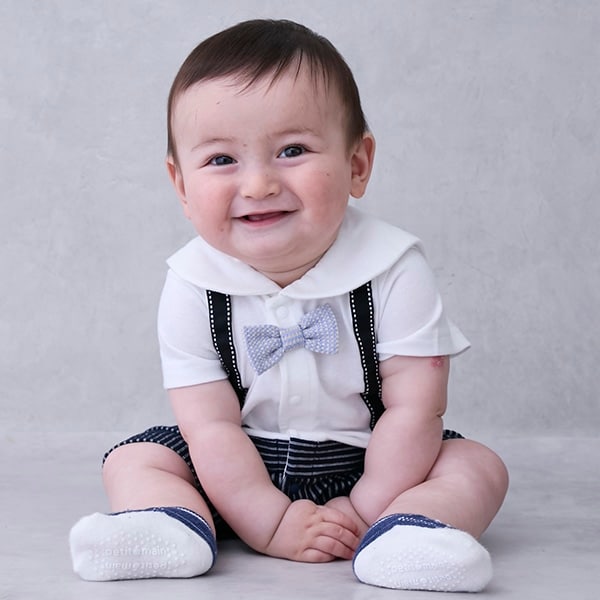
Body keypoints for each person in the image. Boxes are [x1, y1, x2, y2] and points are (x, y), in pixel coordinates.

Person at [69, 19, 508, 592]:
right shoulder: (192, 284)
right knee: (135, 459)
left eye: (292, 151)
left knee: (476, 466)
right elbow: (210, 426)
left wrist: (363, 507)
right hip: (237, 465)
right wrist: (268, 521)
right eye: (221, 160)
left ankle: (408, 532)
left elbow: (414, 410)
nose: (258, 184)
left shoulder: (394, 269)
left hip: (376, 459)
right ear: (181, 186)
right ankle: (170, 525)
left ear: (357, 165)